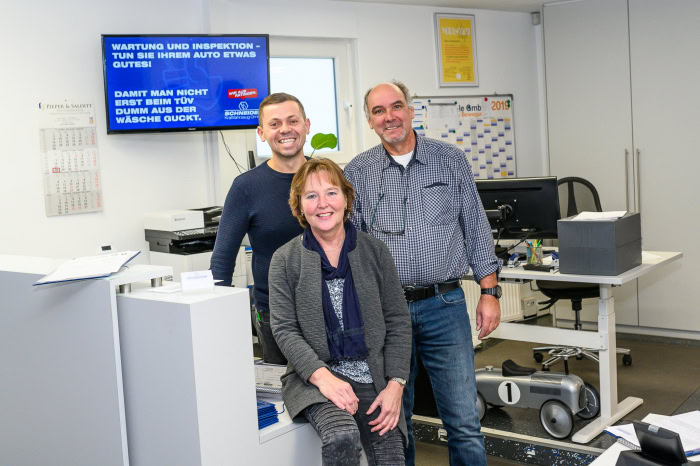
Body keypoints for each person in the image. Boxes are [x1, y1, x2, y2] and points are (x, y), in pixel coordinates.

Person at [343, 81, 502, 466]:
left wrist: (489, 291)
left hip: (443, 303)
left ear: (411, 111)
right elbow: (353, 249)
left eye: (396, 107)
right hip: (387, 312)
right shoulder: (357, 172)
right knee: (397, 421)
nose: (389, 117)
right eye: (379, 111)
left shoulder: (450, 160)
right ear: (369, 121)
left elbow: (476, 226)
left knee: (463, 420)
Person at [268, 158, 411, 465]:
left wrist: (396, 384)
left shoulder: (375, 251)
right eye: (311, 196)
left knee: (392, 453)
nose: (323, 204)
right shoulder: (284, 259)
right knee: (341, 436)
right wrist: (324, 378)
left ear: (346, 199)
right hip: (316, 379)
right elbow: (284, 329)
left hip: (373, 376)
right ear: (299, 206)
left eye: (331, 193)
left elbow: (398, 321)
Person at [210, 92, 310, 364]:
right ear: (261, 132)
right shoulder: (246, 187)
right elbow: (222, 258)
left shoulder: (326, 178)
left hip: (330, 310)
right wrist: (216, 317)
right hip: (275, 314)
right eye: (275, 124)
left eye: (293, 121)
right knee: (284, 396)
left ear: (307, 126)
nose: (285, 129)